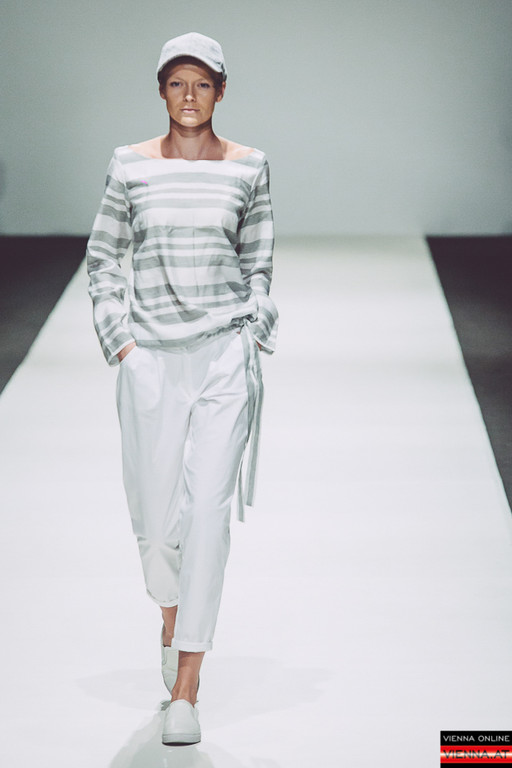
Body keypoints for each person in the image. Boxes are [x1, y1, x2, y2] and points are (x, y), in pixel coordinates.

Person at [86, 32, 278, 746]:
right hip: (151, 360)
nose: (189, 96)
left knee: (206, 516)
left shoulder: (249, 166)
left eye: (202, 83)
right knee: (154, 517)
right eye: (177, 83)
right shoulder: (130, 166)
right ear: (162, 90)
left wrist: (253, 327)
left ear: (221, 91)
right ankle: (171, 616)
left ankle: (187, 685)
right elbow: (103, 258)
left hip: (224, 355)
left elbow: (259, 262)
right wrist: (123, 345)